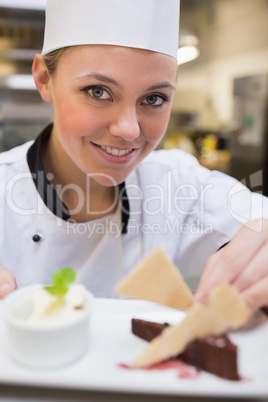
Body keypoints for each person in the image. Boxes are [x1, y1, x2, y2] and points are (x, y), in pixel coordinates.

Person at [0, 0, 267, 312]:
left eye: (153, 98)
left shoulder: (178, 182)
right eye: (97, 92)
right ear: (45, 79)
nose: (128, 129)